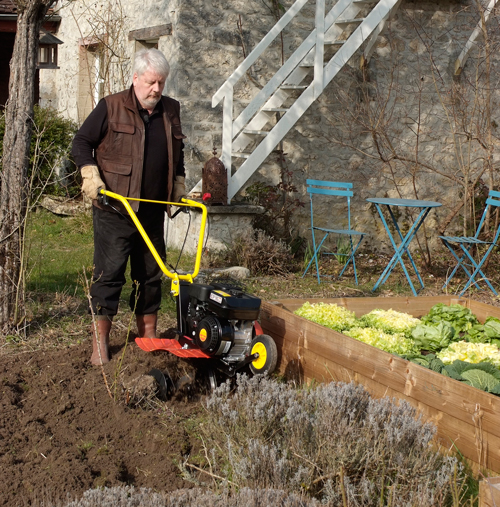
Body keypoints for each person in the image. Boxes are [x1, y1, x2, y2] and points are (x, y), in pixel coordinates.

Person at [72, 48, 186, 365]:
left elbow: (179, 151)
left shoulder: (171, 110)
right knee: (109, 276)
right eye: (151, 82)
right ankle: (100, 344)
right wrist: (90, 173)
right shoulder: (110, 107)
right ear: (135, 78)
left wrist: (178, 181)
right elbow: (81, 142)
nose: (157, 90)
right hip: (115, 210)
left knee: (150, 275)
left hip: (151, 211)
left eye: (161, 83)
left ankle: (147, 335)